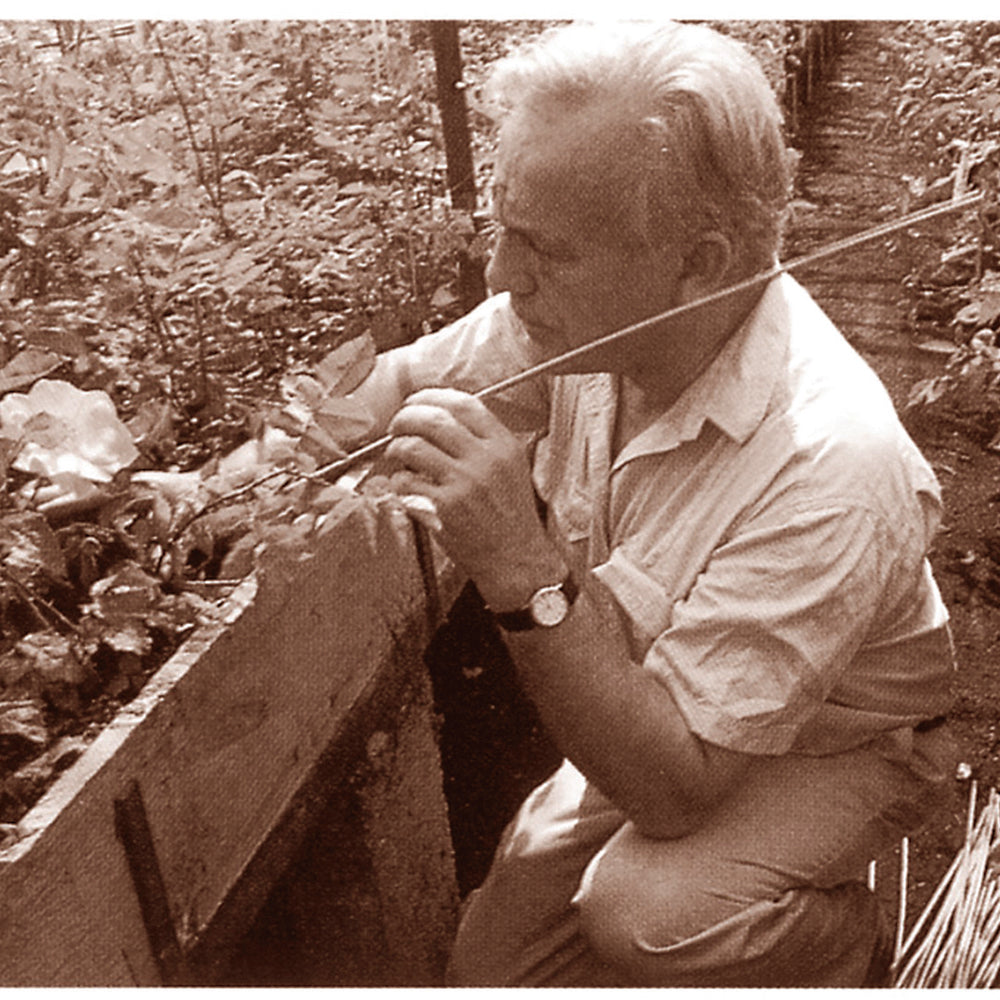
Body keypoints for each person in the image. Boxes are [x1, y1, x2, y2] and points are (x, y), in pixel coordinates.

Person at [346, 20, 957, 987]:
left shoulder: (833, 465)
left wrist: (520, 568)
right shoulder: (579, 322)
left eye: (544, 247)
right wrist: (187, 497)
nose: (504, 277)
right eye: (502, 230)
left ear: (700, 262)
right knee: (490, 968)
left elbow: (676, 789)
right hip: (664, 692)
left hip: (833, 742)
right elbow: (368, 405)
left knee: (643, 916)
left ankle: (842, 948)